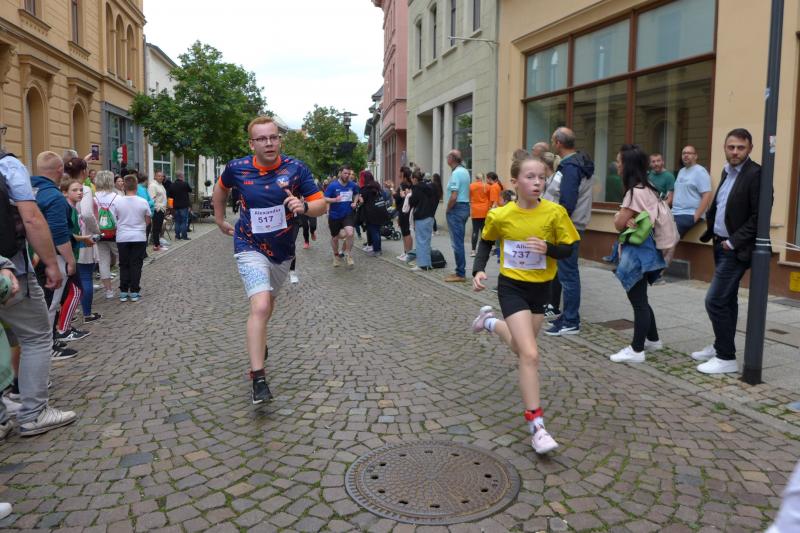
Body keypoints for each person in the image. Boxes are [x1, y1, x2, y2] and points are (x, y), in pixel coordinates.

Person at [212, 115, 326, 404]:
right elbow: (221, 189)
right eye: (262, 139)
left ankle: (258, 341)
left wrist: (304, 206)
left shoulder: (296, 168)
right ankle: (258, 378)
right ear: (252, 144)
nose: (269, 143)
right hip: (249, 244)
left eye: (273, 137)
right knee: (260, 305)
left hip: (282, 250)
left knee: (268, 305)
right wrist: (219, 218)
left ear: (279, 140)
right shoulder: (237, 168)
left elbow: (321, 204)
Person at [471, 153, 579, 454]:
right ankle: (537, 427)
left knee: (521, 348)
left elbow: (569, 249)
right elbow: (486, 241)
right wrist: (478, 270)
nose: (537, 182)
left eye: (542, 177)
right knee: (530, 354)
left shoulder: (555, 213)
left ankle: (489, 323)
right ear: (515, 182)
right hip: (512, 288)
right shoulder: (501, 215)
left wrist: (549, 248)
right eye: (530, 177)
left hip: (541, 290)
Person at [0, 151, 77, 436]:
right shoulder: (8, 166)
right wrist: (51, 263)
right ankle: (34, 413)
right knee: (36, 335)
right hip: (11, 271)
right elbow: (31, 219)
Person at [693, 128, 767, 374]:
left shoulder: (756, 174)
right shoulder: (727, 171)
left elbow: (759, 217)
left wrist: (732, 242)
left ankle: (726, 358)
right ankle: (720, 345)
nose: (735, 152)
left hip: (735, 249)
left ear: (750, 149)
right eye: (731, 147)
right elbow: (722, 205)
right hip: (720, 244)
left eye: (740, 148)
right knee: (727, 300)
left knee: (714, 300)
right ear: (725, 148)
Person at [607, 145, 666, 363]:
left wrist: (620, 217)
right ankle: (653, 339)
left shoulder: (635, 193)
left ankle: (637, 349)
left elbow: (619, 223)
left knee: (638, 301)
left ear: (628, 165)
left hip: (636, 253)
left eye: (619, 162)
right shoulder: (649, 188)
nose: (617, 166)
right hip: (648, 250)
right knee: (642, 298)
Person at [31, 152, 87, 353]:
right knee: (51, 303)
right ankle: (49, 345)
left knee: (43, 302)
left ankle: (49, 341)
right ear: (60, 170)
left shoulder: (29, 190)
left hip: (33, 256)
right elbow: (59, 233)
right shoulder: (54, 197)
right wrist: (70, 260)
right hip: (52, 257)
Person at [544, 127, 594, 336]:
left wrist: (555, 225)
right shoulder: (576, 163)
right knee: (566, 273)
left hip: (567, 227)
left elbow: (567, 203)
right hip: (571, 225)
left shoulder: (571, 166)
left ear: (558, 143)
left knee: (568, 275)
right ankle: (567, 316)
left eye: (553, 140)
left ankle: (571, 320)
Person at [61, 178, 101, 323]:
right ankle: (65, 326)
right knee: (74, 288)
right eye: (75, 190)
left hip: (73, 250)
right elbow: (66, 234)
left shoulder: (73, 208)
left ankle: (66, 323)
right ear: (65, 192)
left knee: (74, 288)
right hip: (66, 254)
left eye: (81, 190)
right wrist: (84, 238)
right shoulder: (68, 209)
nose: (79, 193)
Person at [115, 175, 151, 302]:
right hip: (138, 236)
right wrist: (140, 226)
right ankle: (134, 291)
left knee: (124, 264)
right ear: (136, 186)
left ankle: (124, 291)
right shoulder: (143, 201)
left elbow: (115, 218)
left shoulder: (118, 201)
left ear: (124, 186)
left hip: (122, 236)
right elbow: (148, 219)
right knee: (136, 264)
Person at [672, 145, 712, 238]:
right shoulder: (681, 171)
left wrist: (696, 216)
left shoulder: (700, 171)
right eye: (684, 153)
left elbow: (707, 195)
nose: (686, 155)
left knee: (669, 236)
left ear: (695, 156)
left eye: (689, 153)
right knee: (656, 230)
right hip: (675, 212)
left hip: (689, 213)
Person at [324, 165, 360, 267]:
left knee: (350, 233)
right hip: (334, 215)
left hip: (348, 213)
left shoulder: (352, 185)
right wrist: (334, 200)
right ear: (340, 173)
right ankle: (336, 255)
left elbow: (357, 194)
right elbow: (325, 199)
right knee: (335, 238)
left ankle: (348, 254)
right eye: (345, 173)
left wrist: (355, 202)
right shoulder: (332, 186)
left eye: (349, 173)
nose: (347, 175)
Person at [444, 150, 471, 282]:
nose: (446, 159)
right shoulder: (465, 171)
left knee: (457, 243)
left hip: (456, 208)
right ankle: (460, 271)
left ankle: (460, 273)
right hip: (464, 207)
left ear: (451, 159)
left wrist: (448, 209)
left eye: (447, 157)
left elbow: (454, 196)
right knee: (459, 241)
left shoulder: (456, 173)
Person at [94, 171, 119, 299]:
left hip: (99, 233)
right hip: (115, 233)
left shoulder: (93, 197)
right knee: (123, 259)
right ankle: (126, 285)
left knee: (103, 261)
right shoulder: (116, 197)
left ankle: (109, 291)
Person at [409, 169, 436, 271]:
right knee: (427, 241)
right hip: (430, 216)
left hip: (421, 216)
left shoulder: (417, 188)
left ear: (415, 179)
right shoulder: (430, 187)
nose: (411, 181)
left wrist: (409, 195)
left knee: (420, 241)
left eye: (412, 179)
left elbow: (412, 202)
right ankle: (428, 263)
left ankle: (422, 264)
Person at [360, 171, 388, 257]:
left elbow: (362, 201)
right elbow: (384, 195)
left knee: (374, 231)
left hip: (372, 213)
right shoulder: (377, 185)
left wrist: (359, 199)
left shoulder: (366, 189)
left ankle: (377, 250)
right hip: (381, 210)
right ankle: (378, 249)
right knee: (377, 231)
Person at [469, 173, 491, 258]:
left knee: (475, 231)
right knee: (483, 231)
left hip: (475, 210)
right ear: (483, 178)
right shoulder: (487, 186)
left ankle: (473, 251)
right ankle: (483, 250)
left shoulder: (471, 186)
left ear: (476, 178)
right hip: (484, 210)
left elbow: (469, 197)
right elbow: (489, 198)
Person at [394, 167, 414, 260]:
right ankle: (406, 252)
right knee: (405, 232)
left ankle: (409, 253)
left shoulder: (405, 185)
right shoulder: (409, 185)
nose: (399, 175)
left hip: (405, 211)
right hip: (404, 210)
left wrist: (391, 189)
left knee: (406, 232)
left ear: (405, 176)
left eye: (401, 174)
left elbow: (397, 197)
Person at [148, 171, 168, 251]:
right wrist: (157, 207)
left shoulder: (161, 185)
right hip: (157, 209)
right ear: (155, 177)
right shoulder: (153, 185)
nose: (161, 177)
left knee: (159, 228)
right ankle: (156, 245)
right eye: (159, 176)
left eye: (162, 176)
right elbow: (152, 198)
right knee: (156, 228)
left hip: (162, 209)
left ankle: (158, 243)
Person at [171, 171, 192, 240]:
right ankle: (184, 236)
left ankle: (177, 236)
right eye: (183, 175)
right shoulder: (185, 184)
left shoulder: (172, 185)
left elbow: (170, 195)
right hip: (184, 206)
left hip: (175, 206)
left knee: (177, 221)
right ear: (181, 176)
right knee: (184, 221)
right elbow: (190, 190)